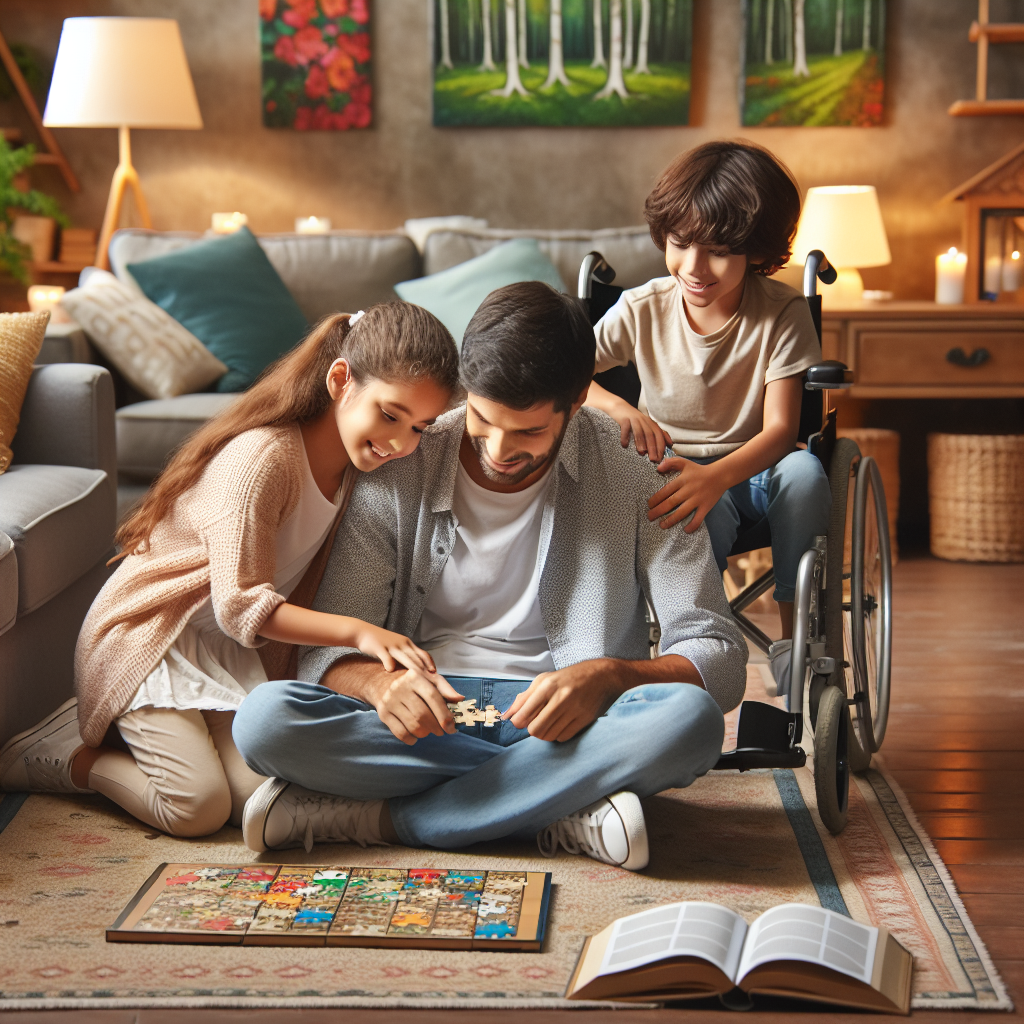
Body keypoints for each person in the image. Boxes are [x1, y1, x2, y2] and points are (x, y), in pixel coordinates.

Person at [231, 281, 747, 871]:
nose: (499, 449)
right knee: (265, 721)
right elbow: (330, 650)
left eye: (528, 431)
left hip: (571, 725)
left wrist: (609, 677)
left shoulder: (637, 472)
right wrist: (378, 686)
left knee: (691, 722)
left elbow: (719, 656)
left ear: (578, 399)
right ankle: (565, 800)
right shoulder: (403, 461)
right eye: (481, 418)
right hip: (425, 722)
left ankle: (380, 819)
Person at [0, 304, 460, 838]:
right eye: (390, 415)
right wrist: (360, 632)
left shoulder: (359, 473)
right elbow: (240, 606)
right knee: (197, 808)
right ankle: (66, 755)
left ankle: (152, 737)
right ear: (340, 381)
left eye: (420, 427)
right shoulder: (263, 460)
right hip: (150, 641)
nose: (403, 444)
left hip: (223, 652)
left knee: (255, 799)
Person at [583, 140, 830, 686]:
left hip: (756, 469)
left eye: (718, 251)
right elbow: (568, 376)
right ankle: (698, 648)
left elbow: (782, 431)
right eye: (680, 244)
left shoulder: (782, 312)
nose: (693, 268)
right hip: (671, 469)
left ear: (756, 250)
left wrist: (715, 477)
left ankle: (795, 639)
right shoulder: (642, 307)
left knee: (806, 471)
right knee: (690, 510)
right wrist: (617, 405)